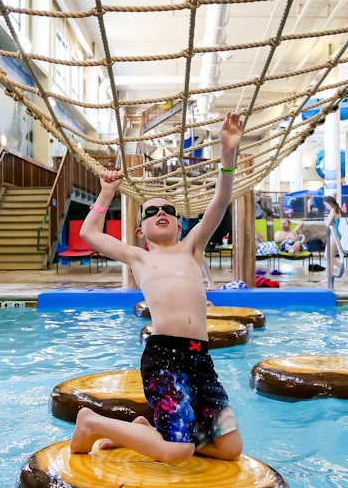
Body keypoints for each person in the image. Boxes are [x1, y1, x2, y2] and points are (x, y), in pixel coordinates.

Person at [71, 112, 244, 464]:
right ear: (140, 231)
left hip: (200, 356)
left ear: (180, 225)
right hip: (164, 356)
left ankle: (145, 431)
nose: (161, 212)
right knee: (178, 452)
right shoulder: (138, 257)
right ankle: (92, 422)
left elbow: (221, 201)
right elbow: (89, 234)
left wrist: (227, 154)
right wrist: (106, 192)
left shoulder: (192, 248)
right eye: (152, 212)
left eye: (169, 210)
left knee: (230, 448)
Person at [323, 195, 344, 275]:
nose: (326, 207)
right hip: (335, 234)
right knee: (329, 256)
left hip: (334, 234)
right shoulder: (337, 209)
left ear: (329, 203)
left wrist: (328, 221)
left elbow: (327, 224)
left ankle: (331, 275)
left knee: (328, 256)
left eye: (326, 205)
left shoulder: (333, 210)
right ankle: (344, 270)